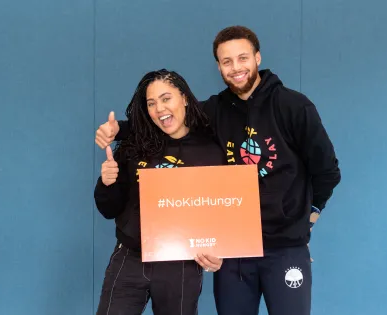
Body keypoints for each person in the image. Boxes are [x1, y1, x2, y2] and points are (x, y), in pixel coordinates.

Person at [95, 26, 341, 315]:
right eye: (227, 61)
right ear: (219, 67)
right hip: (234, 251)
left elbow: (327, 171)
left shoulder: (294, 106)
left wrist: (307, 219)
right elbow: (168, 117)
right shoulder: (216, 110)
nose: (236, 68)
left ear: (257, 57)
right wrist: (119, 130)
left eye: (242, 58)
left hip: (285, 247)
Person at [94, 69, 225, 315]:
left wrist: (220, 250)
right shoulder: (135, 145)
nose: (159, 109)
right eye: (151, 103)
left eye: (166, 99)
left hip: (182, 265)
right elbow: (108, 209)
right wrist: (107, 182)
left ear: (184, 98)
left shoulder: (211, 151)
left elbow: (223, 208)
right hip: (130, 258)